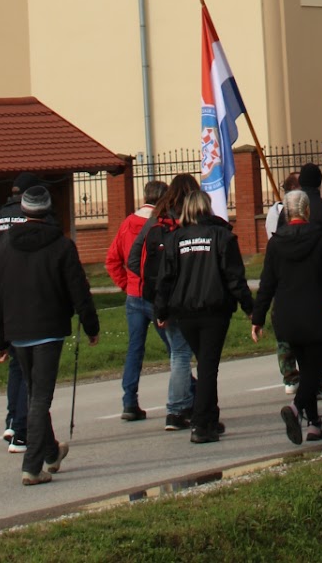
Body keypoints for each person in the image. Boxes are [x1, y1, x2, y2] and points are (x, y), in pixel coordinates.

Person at [0, 183, 101, 486]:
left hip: (17, 330)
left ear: (23, 210)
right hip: (49, 329)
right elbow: (79, 289)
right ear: (48, 210)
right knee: (40, 397)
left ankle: (51, 452)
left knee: (34, 393)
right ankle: (32, 467)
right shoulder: (62, 245)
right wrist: (91, 326)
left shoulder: (5, 246)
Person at [154, 186, 254, 445]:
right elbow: (235, 277)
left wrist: (161, 310)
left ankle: (210, 417)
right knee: (208, 366)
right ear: (207, 208)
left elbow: (165, 279)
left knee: (205, 363)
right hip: (214, 311)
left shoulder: (175, 239)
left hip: (185, 313)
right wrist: (250, 308)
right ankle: (201, 425)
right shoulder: (222, 237)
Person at [251, 187, 322, 445]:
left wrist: (258, 318)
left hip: (286, 317)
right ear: (306, 211)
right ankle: (295, 409)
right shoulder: (321, 240)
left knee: (306, 368)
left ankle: (315, 424)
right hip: (315, 314)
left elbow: (266, 284)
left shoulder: (275, 244)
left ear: (286, 214)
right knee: (315, 370)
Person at [0, 171, 48, 452]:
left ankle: (12, 420)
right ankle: (21, 425)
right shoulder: (33, 218)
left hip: (1, 297)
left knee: (14, 363)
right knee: (27, 365)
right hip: (26, 300)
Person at [124, 173, 199, 430]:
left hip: (160, 297)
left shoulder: (156, 219)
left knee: (176, 352)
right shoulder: (190, 221)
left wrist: (153, 286)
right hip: (186, 298)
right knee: (182, 353)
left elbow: (133, 259)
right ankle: (179, 408)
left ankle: (185, 403)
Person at [107, 178, 174, 424]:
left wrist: (127, 284)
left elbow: (112, 260)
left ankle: (129, 401)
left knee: (135, 349)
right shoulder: (164, 224)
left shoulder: (127, 223)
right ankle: (188, 392)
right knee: (174, 348)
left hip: (134, 295)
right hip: (156, 295)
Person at [265, 172, 303, 397]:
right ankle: (289, 374)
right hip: (284, 274)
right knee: (284, 328)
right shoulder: (276, 213)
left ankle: (304, 374)